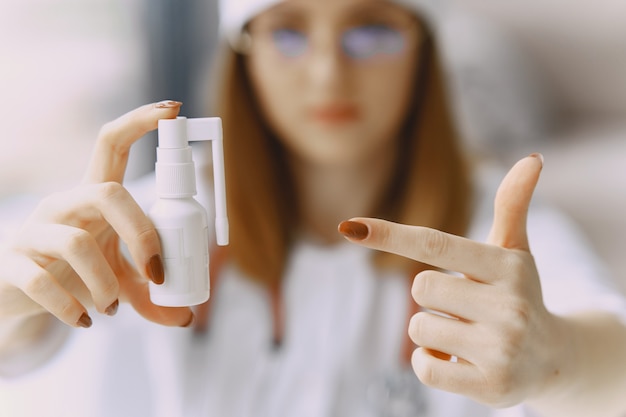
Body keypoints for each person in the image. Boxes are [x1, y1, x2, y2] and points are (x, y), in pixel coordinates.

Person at [1, 0, 626, 416]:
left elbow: (610, 358)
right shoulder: (139, 231)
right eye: (289, 31)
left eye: (371, 29)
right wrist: (15, 302)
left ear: (423, 48)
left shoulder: (491, 242)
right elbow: (20, 347)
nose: (329, 73)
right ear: (243, 52)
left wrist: (560, 358)